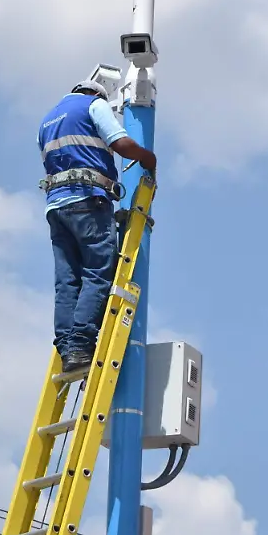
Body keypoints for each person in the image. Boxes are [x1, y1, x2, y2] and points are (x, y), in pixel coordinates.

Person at [38, 79, 157, 373]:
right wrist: (146, 157)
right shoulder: (94, 105)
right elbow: (120, 143)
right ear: (96, 94)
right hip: (88, 201)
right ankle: (80, 344)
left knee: (67, 282)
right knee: (98, 271)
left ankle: (67, 348)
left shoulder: (47, 119)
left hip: (57, 206)